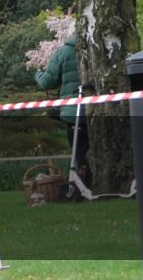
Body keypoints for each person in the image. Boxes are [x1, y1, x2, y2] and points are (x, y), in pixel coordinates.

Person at [35, 35, 89, 183]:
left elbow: (48, 82)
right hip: (100, 109)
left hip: (73, 113)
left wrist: (38, 75)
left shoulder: (63, 52)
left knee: (78, 151)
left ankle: (81, 180)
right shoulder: (95, 48)